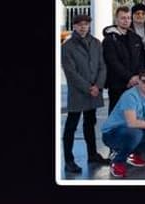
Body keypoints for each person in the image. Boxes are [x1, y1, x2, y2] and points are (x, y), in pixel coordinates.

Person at [61, 15, 110, 174]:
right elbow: (70, 72)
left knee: (90, 122)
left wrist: (98, 85)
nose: (83, 27)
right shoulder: (67, 46)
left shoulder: (96, 43)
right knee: (71, 125)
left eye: (86, 24)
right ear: (74, 26)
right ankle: (69, 160)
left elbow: (102, 66)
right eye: (80, 24)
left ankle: (92, 154)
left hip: (94, 90)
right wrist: (89, 88)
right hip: (78, 91)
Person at [100, 67, 145, 176]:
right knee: (136, 133)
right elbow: (132, 123)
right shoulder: (130, 96)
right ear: (139, 82)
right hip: (112, 134)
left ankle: (132, 154)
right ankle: (117, 162)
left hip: (132, 131)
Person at [104, 6, 145, 111]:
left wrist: (137, 77)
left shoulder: (136, 38)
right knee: (117, 114)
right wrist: (129, 77)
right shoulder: (109, 39)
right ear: (116, 19)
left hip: (135, 83)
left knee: (134, 114)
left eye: (128, 18)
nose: (126, 21)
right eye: (123, 18)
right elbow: (113, 62)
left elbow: (142, 59)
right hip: (117, 85)